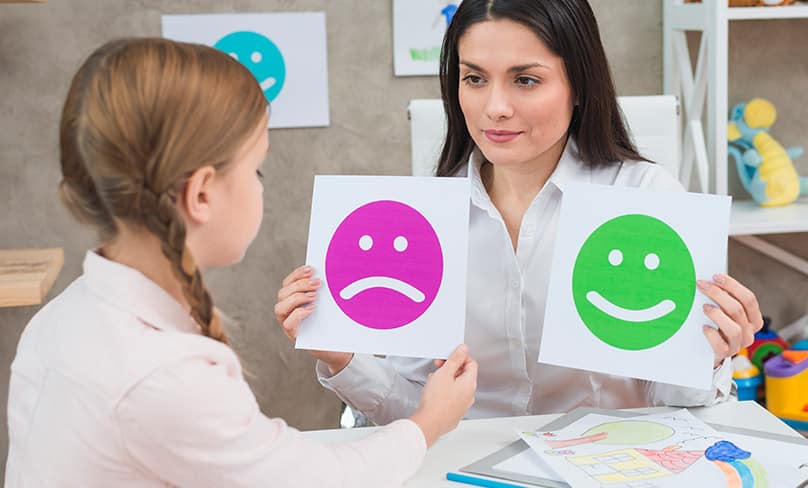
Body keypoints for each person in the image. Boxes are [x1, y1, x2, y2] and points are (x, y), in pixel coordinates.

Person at [5, 38, 477, 487]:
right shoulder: (164, 375)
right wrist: (428, 421)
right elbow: (317, 481)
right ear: (202, 193)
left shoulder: (63, 318)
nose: (261, 187)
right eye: (256, 169)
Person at [274, 0, 763, 426]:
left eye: (525, 80)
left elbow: (677, 410)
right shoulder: (424, 220)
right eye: (474, 79)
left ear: (578, 85)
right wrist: (343, 358)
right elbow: (416, 417)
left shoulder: (646, 197)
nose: (496, 107)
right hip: (466, 468)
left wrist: (707, 356)